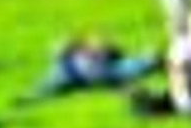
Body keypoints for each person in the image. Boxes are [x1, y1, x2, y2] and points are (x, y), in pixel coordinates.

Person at [28, 33, 161, 99]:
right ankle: (150, 59)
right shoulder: (73, 57)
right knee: (48, 85)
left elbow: (112, 79)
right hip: (75, 71)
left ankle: (151, 59)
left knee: (125, 69)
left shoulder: (116, 65)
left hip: (80, 74)